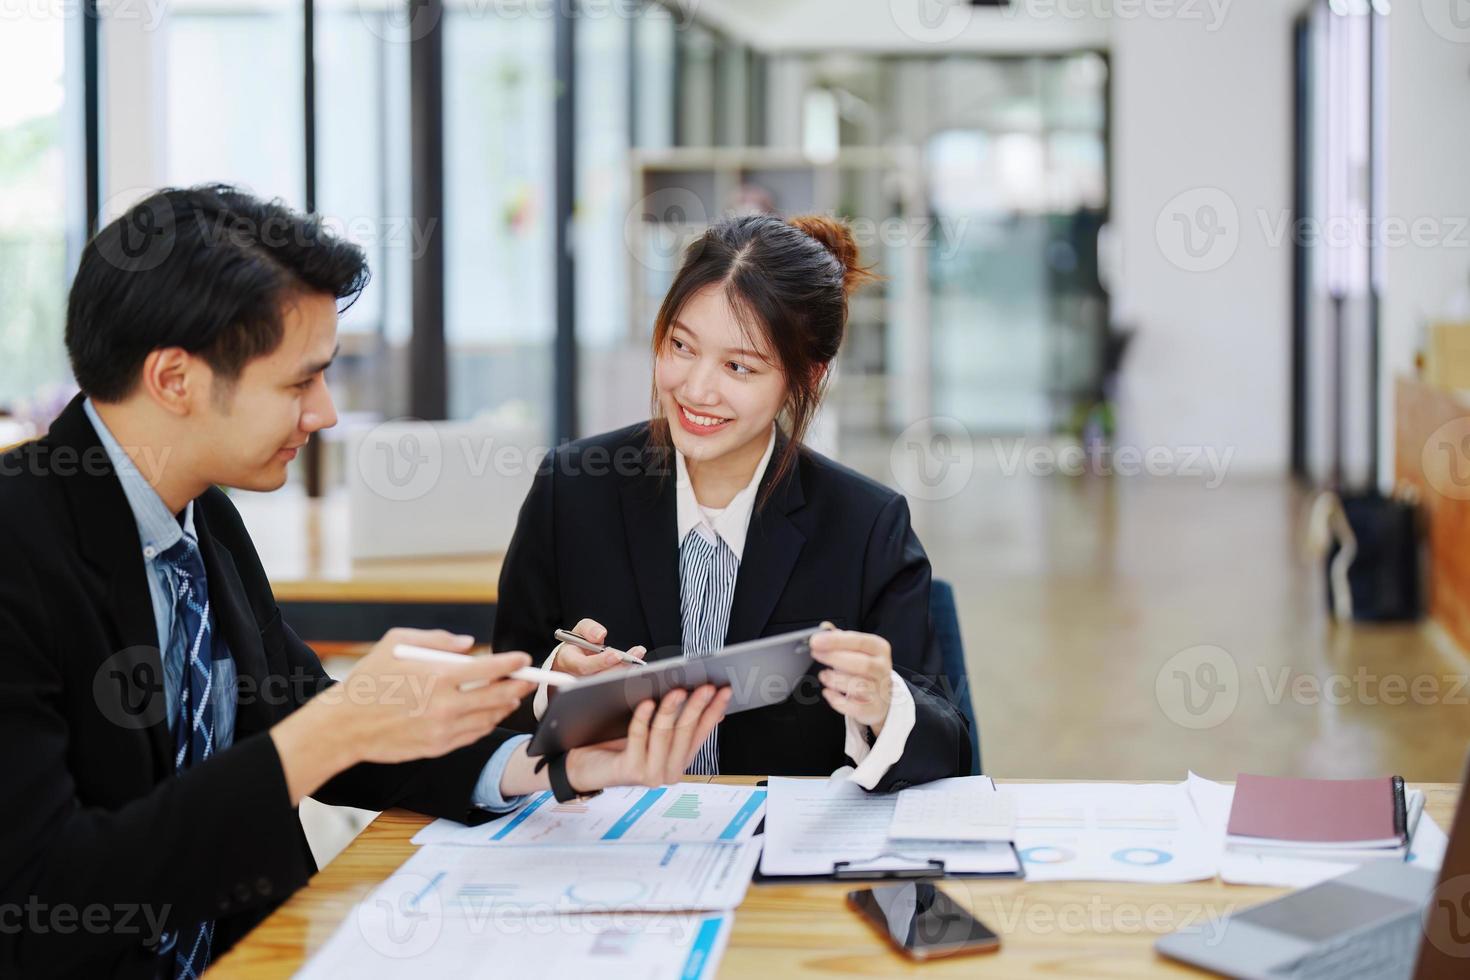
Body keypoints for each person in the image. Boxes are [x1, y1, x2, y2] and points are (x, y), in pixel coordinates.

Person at [0, 185, 728, 979]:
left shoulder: (199, 515)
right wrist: (338, 725)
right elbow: (41, 899)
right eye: (299, 383)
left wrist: (553, 762)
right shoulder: (20, 547)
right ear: (175, 379)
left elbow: (307, 720)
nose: (326, 413)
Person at [494, 212, 971, 791]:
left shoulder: (865, 524)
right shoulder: (571, 490)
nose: (696, 389)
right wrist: (552, 687)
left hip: (778, 863)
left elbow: (950, 747)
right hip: (611, 847)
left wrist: (884, 703)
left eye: (738, 366)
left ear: (809, 376)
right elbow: (496, 714)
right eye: (681, 346)